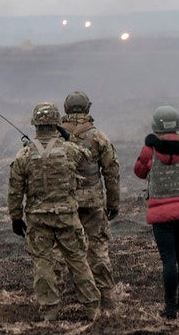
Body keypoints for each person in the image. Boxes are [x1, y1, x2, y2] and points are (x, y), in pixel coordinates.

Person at [8, 102, 101, 322]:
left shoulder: (24, 154)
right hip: (67, 216)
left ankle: (49, 311)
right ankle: (91, 308)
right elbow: (87, 155)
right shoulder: (69, 150)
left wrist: (15, 217)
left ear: (35, 124)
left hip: (38, 218)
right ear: (56, 123)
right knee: (77, 260)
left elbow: (14, 190)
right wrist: (67, 139)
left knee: (43, 263)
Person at [133, 106, 179, 319]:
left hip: (161, 214)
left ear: (156, 126)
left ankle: (170, 308)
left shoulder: (149, 150)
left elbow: (139, 172)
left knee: (168, 260)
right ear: (177, 125)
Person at [59, 91, 120, 306]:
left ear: (65, 109)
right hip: (93, 202)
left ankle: (59, 301)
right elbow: (111, 171)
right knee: (98, 249)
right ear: (87, 109)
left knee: (61, 250)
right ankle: (108, 299)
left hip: (63, 203)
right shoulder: (98, 137)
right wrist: (113, 203)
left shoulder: (54, 138)